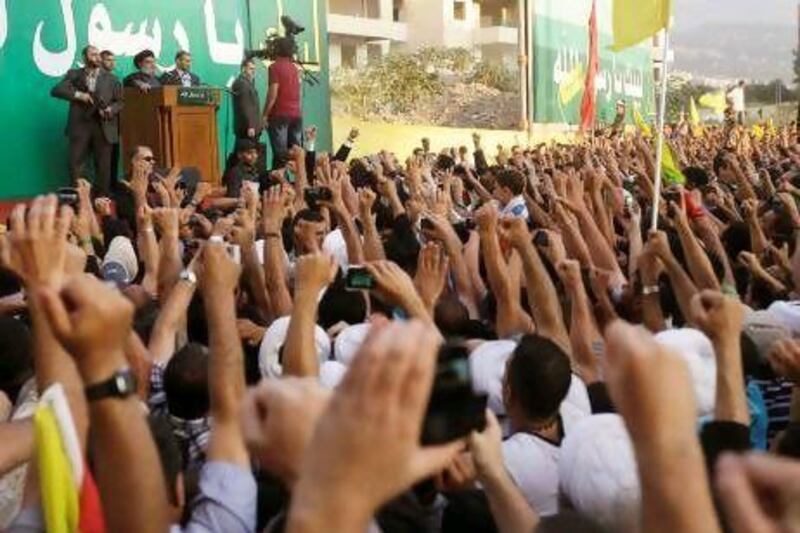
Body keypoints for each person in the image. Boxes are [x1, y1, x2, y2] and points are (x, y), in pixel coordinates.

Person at [50, 44, 123, 196]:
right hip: (80, 126)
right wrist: (80, 95)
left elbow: (120, 102)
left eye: (98, 54)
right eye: (92, 54)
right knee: (75, 164)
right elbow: (56, 90)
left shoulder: (112, 79)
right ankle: (78, 200)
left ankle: (101, 199)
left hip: (103, 126)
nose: (96, 57)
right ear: (84, 57)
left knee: (103, 166)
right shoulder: (74, 74)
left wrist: (110, 110)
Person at [263, 37, 302, 169]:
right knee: (296, 154)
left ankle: (278, 185)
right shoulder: (294, 68)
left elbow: (273, 92)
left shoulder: (274, 67)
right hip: (296, 114)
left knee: (280, 155)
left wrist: (264, 115)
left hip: (279, 114)